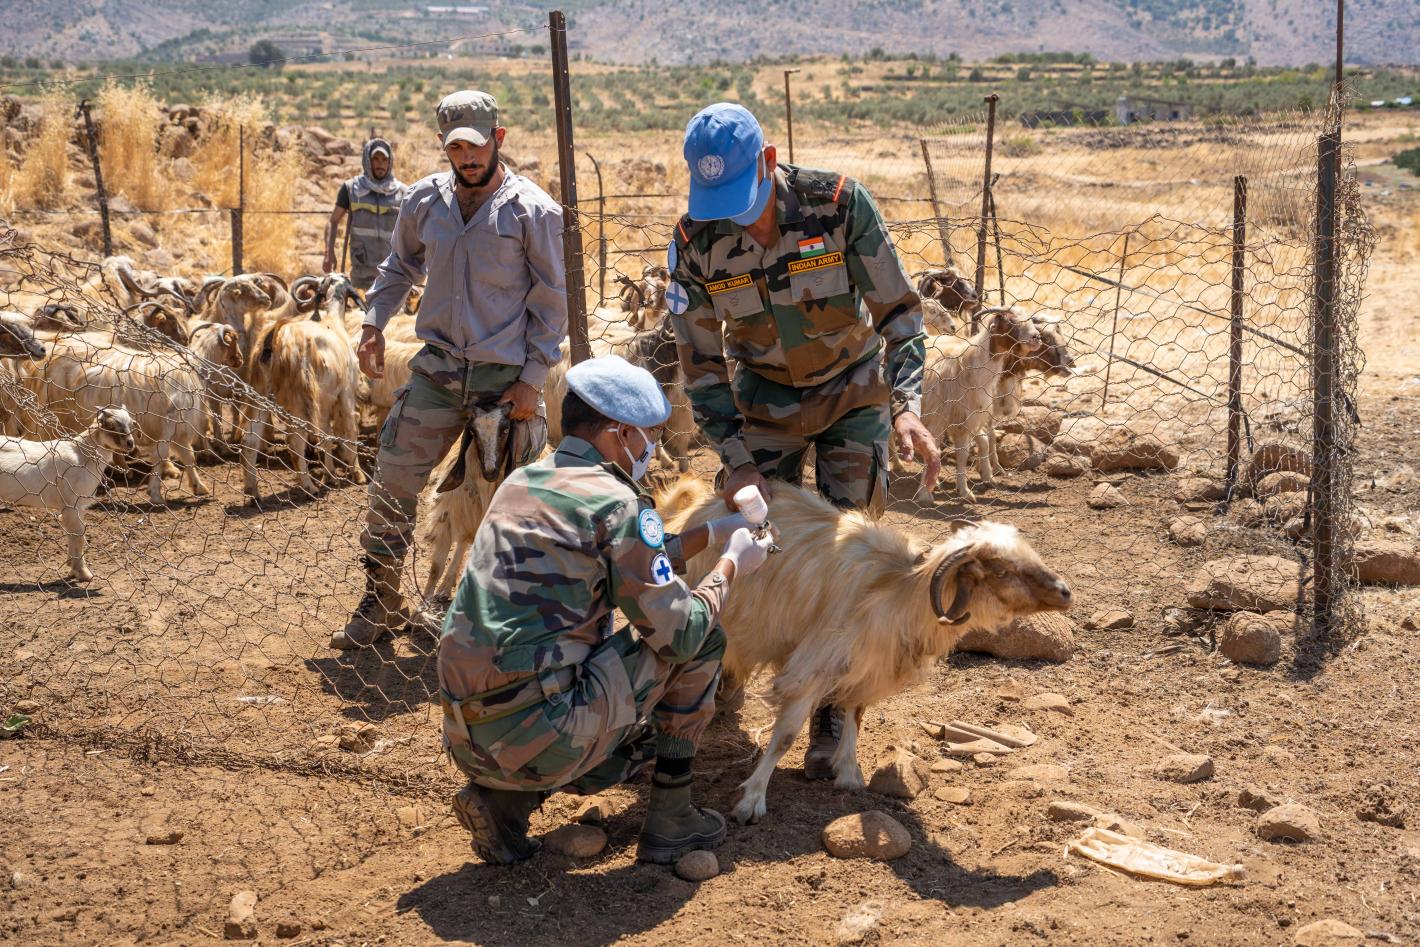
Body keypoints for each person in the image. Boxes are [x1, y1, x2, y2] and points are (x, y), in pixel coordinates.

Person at [667, 102, 941, 781]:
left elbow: (900, 315)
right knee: (751, 538)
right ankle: (726, 670)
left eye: (741, 198)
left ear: (769, 161)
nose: (732, 218)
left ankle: (834, 712)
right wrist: (735, 461)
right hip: (763, 402)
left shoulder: (839, 205)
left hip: (853, 395)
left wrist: (906, 408)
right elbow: (701, 363)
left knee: (851, 559)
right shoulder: (696, 241)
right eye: (718, 205)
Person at [438, 354, 776, 865]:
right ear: (620, 433)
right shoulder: (619, 504)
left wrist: (713, 532)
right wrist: (731, 564)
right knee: (702, 636)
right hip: (547, 735)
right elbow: (680, 634)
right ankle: (672, 819)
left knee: (560, 677)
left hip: (466, 736)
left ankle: (505, 802)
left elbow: (621, 556)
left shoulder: (523, 482)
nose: (653, 448)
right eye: (650, 435)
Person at [333, 90, 567, 650]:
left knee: (512, 502)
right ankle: (381, 601)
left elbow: (552, 301)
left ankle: (509, 616)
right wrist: (373, 323)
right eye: (456, 147)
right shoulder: (423, 201)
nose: (467, 158)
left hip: (503, 381)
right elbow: (398, 265)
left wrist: (532, 380)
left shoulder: (532, 212)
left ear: (498, 139)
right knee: (392, 481)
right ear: (443, 145)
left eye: (476, 146)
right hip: (437, 371)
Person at [323, 137, 408, 290]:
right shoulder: (351, 189)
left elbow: (413, 231)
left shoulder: (402, 192)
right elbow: (333, 221)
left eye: (384, 159)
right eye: (376, 159)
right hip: (362, 272)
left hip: (392, 272)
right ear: (367, 161)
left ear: (390, 162)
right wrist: (329, 253)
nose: (380, 164)